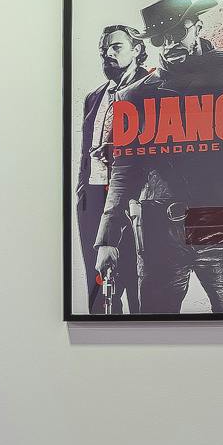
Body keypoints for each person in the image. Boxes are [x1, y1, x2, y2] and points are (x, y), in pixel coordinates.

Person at [93, 0, 223, 315]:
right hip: (159, 226)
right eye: (160, 38)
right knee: (155, 326)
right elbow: (125, 170)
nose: (170, 43)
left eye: (177, 32)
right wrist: (108, 239)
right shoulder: (135, 94)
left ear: (196, 26)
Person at [75, 23, 148, 314]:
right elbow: (85, 150)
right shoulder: (94, 97)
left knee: (140, 284)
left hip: (135, 197)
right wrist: (82, 192)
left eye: (116, 47)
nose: (108, 53)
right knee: (99, 286)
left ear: (137, 50)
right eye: (104, 49)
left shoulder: (153, 88)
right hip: (93, 195)